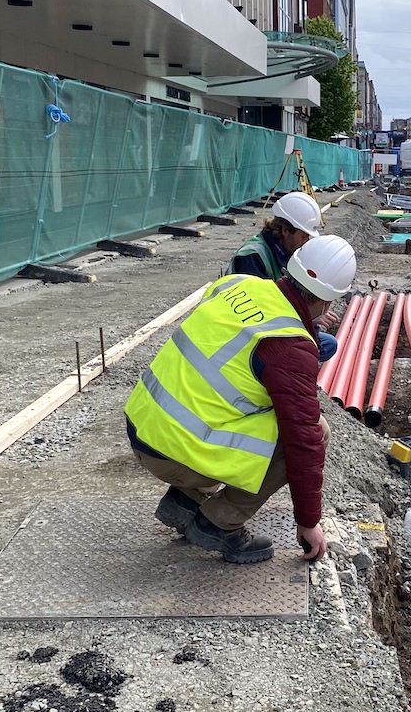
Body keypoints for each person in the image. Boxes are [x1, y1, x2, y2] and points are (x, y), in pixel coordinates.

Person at [125, 235, 357, 565]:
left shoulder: (239, 284)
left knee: (247, 405)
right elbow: (304, 442)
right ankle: (219, 522)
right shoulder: (289, 347)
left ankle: (185, 500)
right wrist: (308, 523)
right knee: (315, 432)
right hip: (171, 450)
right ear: (327, 302)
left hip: (144, 423)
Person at [227, 190, 340, 363]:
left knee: (327, 344)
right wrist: (308, 317)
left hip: (271, 325)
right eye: (303, 236)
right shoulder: (252, 257)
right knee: (312, 347)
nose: (307, 242)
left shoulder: (287, 252)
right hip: (245, 334)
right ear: (285, 230)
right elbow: (257, 314)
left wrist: (314, 311)